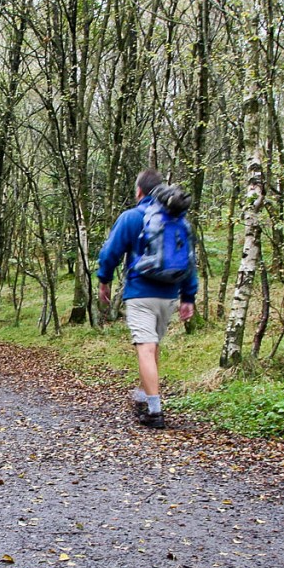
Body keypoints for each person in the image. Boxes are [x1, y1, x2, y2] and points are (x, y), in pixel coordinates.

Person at [97, 168, 197, 429]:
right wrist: (189, 296)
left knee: (145, 347)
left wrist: (103, 280)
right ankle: (143, 397)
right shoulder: (178, 219)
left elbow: (111, 252)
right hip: (169, 295)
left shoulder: (132, 217)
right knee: (152, 347)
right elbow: (189, 259)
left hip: (140, 293)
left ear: (139, 191)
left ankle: (154, 411)